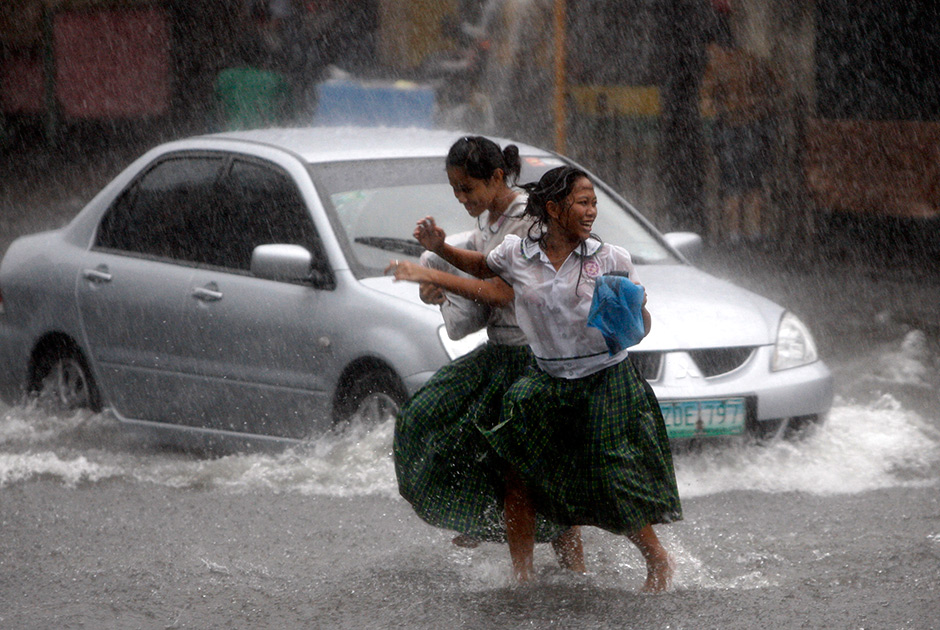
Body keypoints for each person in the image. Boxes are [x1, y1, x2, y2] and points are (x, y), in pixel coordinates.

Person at [395, 165, 682, 590]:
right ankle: (523, 576)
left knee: (611, 477)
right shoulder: (517, 253)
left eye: (594, 204)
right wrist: (441, 250)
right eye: (583, 203)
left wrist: (630, 312)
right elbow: (481, 265)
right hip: (546, 380)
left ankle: (658, 560)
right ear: (553, 208)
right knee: (518, 476)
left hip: (604, 379)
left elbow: (641, 327)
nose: (591, 212)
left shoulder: (610, 259)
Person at [388, 137, 585, 575]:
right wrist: (435, 282)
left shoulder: (528, 221)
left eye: (468, 189)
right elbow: (476, 279)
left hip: (534, 362)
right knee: (428, 421)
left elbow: (501, 291)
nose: (461, 199)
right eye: (455, 190)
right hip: (499, 358)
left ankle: (533, 577)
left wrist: (434, 270)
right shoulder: (491, 221)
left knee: (528, 475)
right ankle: (498, 535)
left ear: (498, 177)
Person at [701, 13, 780, 245]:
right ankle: (756, 233)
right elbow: (776, 85)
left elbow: (706, 103)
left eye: (710, 49)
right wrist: (757, 104)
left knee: (732, 184)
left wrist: (719, 107)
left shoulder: (716, 67)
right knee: (754, 184)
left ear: (715, 46)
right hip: (756, 128)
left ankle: (734, 235)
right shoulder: (752, 60)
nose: (709, 53)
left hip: (731, 130)